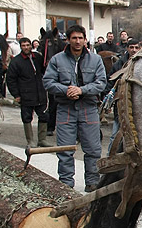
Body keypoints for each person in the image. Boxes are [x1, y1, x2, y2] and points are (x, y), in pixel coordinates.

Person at [42, 24, 107, 190]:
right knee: (65, 150)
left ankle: (92, 182)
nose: (77, 41)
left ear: (85, 40)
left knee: (93, 149)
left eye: (80, 38)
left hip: (89, 108)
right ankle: (66, 184)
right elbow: (48, 82)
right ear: (68, 40)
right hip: (65, 109)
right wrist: (66, 90)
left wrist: (81, 90)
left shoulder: (96, 59)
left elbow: (101, 83)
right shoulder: (57, 60)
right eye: (74, 38)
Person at [6, 37, 50, 148]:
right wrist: (16, 94)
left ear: (31, 45)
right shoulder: (16, 61)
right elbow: (10, 79)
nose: (26, 47)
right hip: (25, 94)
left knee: (44, 116)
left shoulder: (38, 58)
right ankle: (30, 140)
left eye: (28, 45)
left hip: (40, 93)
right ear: (20, 47)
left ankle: (42, 139)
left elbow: (45, 70)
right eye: (23, 45)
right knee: (26, 117)